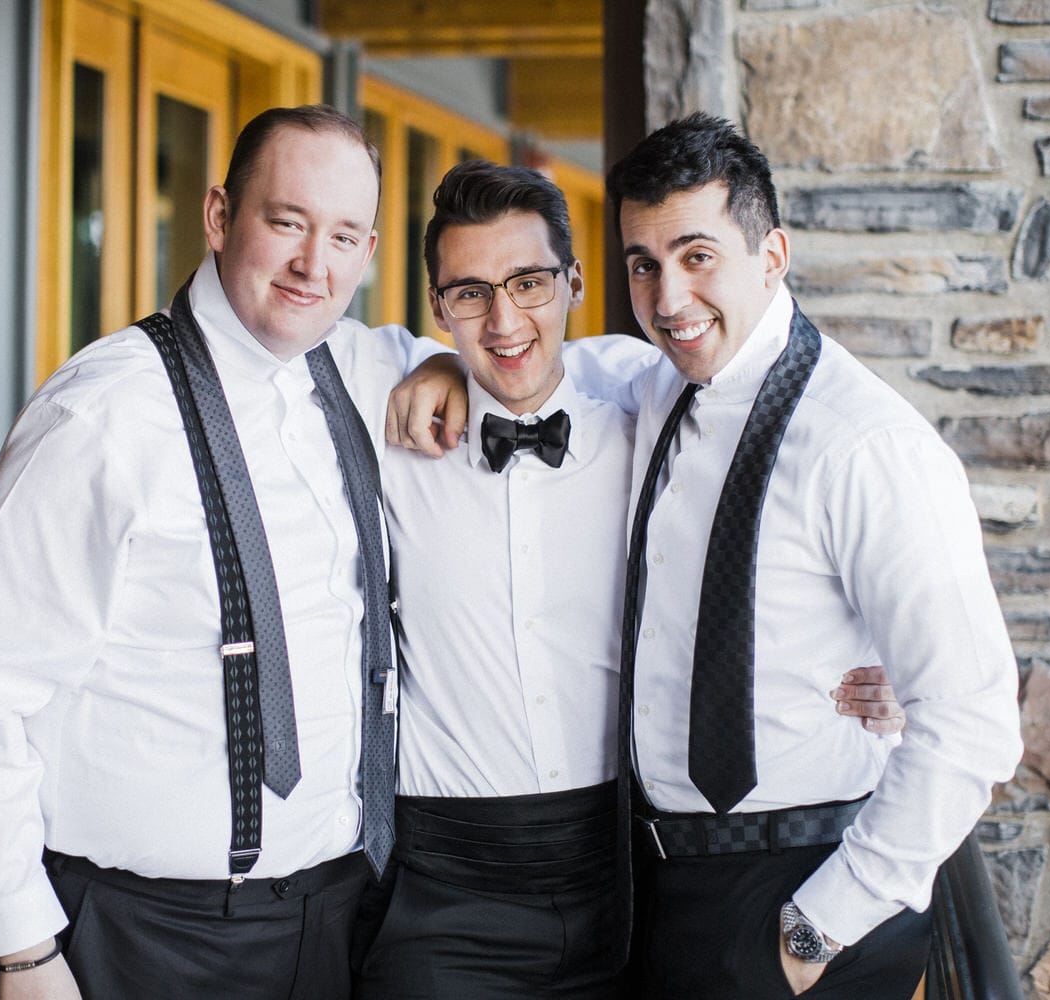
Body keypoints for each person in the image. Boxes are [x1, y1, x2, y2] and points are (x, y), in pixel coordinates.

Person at [0, 105, 459, 1000]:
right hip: (148, 937)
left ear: (368, 255)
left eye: (343, 236)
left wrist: (445, 365)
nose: (311, 264)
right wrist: (25, 949)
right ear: (219, 217)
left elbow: (504, 359)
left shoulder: (363, 372)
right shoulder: (101, 415)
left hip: (342, 920)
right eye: (286, 222)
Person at [363, 160, 909, 1000]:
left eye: (530, 282)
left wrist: (887, 664)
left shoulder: (647, 402)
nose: (504, 319)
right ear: (436, 308)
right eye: (468, 294)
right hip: (446, 889)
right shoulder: (392, 414)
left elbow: (779, 517)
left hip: (626, 877)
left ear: (576, 282)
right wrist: (440, 365)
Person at [607, 113, 1023, 999]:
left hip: (809, 890)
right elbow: (536, 370)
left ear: (772, 254)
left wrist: (817, 927)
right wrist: (440, 372)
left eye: (697, 255)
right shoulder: (650, 393)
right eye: (643, 264)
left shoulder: (867, 445)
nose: (669, 298)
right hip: (662, 887)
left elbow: (974, 715)